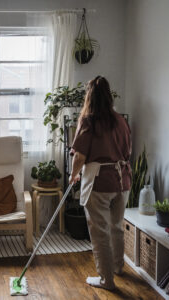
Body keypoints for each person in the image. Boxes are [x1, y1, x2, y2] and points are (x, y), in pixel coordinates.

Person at [69, 76, 132, 290]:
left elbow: (79, 156)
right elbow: (128, 151)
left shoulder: (89, 121)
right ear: (108, 96)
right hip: (122, 182)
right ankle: (117, 267)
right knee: (116, 227)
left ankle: (106, 280)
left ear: (89, 97)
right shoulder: (121, 120)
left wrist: (73, 175)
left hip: (99, 183)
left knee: (100, 232)